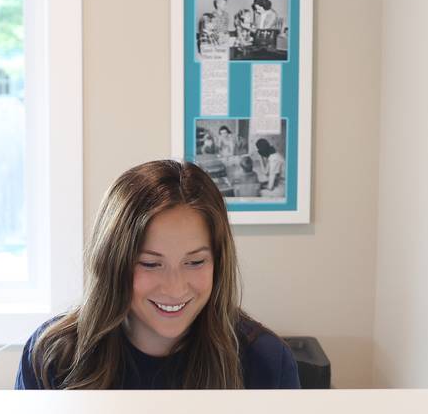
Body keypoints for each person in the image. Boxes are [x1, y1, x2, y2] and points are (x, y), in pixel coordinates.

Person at [16, 159, 300, 389]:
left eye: (195, 262)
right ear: (113, 263)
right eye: (150, 264)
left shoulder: (267, 361)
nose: (175, 288)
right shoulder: (51, 356)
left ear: (219, 262)